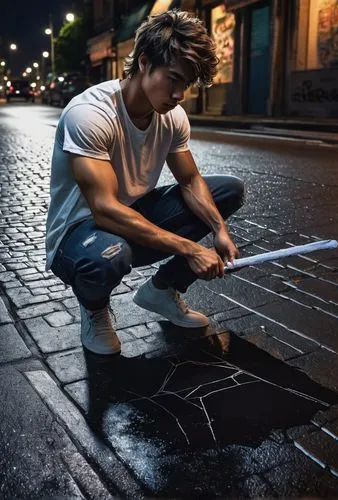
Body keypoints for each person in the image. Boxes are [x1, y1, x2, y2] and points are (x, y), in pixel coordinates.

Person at [46, 9, 245, 355]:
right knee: (109, 254)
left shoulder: (172, 117)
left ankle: (162, 291)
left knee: (227, 190)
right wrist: (190, 248)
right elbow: (105, 210)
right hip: (80, 234)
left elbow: (190, 180)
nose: (180, 94)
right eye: (173, 79)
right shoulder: (90, 114)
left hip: (129, 218)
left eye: (186, 84)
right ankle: (94, 310)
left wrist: (218, 230)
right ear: (143, 62)